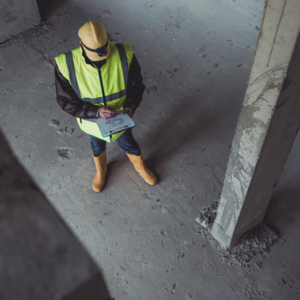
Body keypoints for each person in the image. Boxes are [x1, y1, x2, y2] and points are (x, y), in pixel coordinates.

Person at [55, 20, 157, 192]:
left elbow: (136, 86)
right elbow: (66, 101)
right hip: (92, 122)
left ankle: (140, 167)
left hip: (120, 119)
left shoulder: (125, 54)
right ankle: (101, 171)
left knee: (128, 143)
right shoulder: (66, 65)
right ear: (81, 45)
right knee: (97, 145)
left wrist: (130, 106)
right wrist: (95, 112)